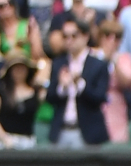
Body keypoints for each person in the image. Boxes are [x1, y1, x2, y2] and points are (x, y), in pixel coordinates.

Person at [46, 14, 110, 147]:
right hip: (61, 130)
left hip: (87, 133)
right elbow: (49, 97)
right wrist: (62, 87)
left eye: (74, 36)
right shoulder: (58, 64)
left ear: (86, 36)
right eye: (65, 36)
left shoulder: (98, 65)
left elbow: (100, 97)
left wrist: (79, 84)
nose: (69, 41)